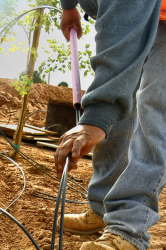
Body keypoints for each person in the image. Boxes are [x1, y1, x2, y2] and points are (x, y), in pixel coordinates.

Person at [55, 0, 166, 249]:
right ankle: (102, 207)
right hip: (147, 13)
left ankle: (128, 227)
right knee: (121, 107)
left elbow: (125, 10)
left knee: (155, 105)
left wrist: (97, 115)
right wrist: (68, 6)